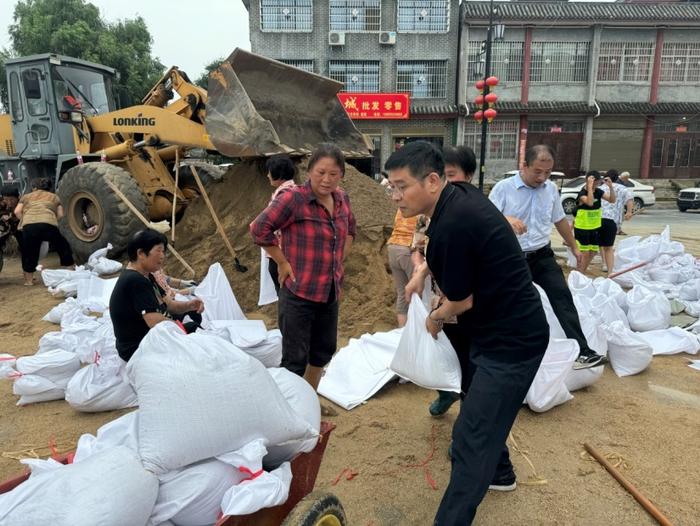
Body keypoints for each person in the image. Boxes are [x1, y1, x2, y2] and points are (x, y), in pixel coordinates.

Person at [386, 141, 549, 525]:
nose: (394, 196)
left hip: (511, 343)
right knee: (479, 421)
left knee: (471, 440)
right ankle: (499, 472)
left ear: (431, 180)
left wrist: (435, 317)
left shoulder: (454, 223)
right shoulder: (454, 198)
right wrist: (423, 277)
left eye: (401, 186)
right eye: (390, 186)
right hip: (492, 333)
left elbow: (461, 301)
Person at [250, 143, 355, 408]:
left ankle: (308, 402)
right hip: (299, 291)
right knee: (295, 357)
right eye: (320, 172)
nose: (326, 179)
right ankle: (287, 411)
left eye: (333, 174)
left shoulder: (342, 199)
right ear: (309, 171)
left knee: (322, 351)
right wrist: (282, 261)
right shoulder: (294, 198)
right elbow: (259, 229)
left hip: (329, 291)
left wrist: (339, 259)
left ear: (341, 174)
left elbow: (351, 229)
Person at [489, 145, 605, 369]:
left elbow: (559, 220)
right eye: (537, 171)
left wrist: (574, 247)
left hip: (542, 255)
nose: (542, 177)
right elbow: (485, 218)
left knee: (562, 297)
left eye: (547, 172)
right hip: (512, 258)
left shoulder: (550, 189)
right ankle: (506, 352)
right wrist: (506, 219)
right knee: (511, 304)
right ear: (524, 166)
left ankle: (583, 351)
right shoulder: (504, 188)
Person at [416, 145, 477, 417]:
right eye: (441, 175)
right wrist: (419, 272)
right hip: (441, 295)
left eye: (451, 175)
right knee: (444, 350)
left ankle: (467, 415)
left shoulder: (474, 210)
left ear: (470, 176)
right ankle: (447, 392)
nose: (444, 182)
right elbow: (417, 249)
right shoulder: (426, 211)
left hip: (467, 300)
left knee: (469, 358)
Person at [109, 229, 204, 362]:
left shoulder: (147, 275)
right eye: (158, 250)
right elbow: (154, 321)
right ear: (141, 253)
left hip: (145, 333)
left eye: (163, 251)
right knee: (194, 329)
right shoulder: (135, 281)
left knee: (194, 314)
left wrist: (190, 305)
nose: (162, 256)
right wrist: (178, 326)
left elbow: (169, 305)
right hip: (136, 347)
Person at [13, 178, 74, 286]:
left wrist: (25, 220)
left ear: (34, 188)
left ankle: (29, 281)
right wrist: (51, 220)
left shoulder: (26, 197)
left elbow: (17, 211)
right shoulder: (54, 197)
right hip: (48, 224)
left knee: (29, 252)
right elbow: (60, 214)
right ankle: (70, 270)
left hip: (29, 226)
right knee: (62, 245)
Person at [263, 154, 296, 293]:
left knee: (284, 294)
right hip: (287, 253)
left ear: (278, 173)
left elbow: (264, 226)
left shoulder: (284, 195)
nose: (267, 175)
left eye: (270, 171)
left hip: (282, 254)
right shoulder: (292, 190)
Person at [574, 170, 615, 273]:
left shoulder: (598, 192)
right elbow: (590, 203)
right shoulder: (582, 193)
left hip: (594, 227)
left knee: (593, 252)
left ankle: (581, 271)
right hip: (582, 228)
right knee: (585, 253)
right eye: (593, 183)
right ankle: (580, 273)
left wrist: (610, 187)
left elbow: (612, 200)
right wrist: (589, 188)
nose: (595, 186)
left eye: (596, 183)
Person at [387, 209, 418, 327]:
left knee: (402, 292)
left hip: (393, 246)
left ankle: (402, 331)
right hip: (408, 248)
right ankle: (415, 331)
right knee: (416, 291)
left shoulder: (403, 205)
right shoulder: (421, 203)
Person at [600, 169, 633, 273]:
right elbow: (630, 199)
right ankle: (610, 272)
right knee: (609, 247)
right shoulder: (623, 189)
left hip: (598, 218)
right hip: (613, 220)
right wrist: (629, 212)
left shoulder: (600, 188)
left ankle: (604, 263)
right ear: (617, 177)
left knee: (600, 244)